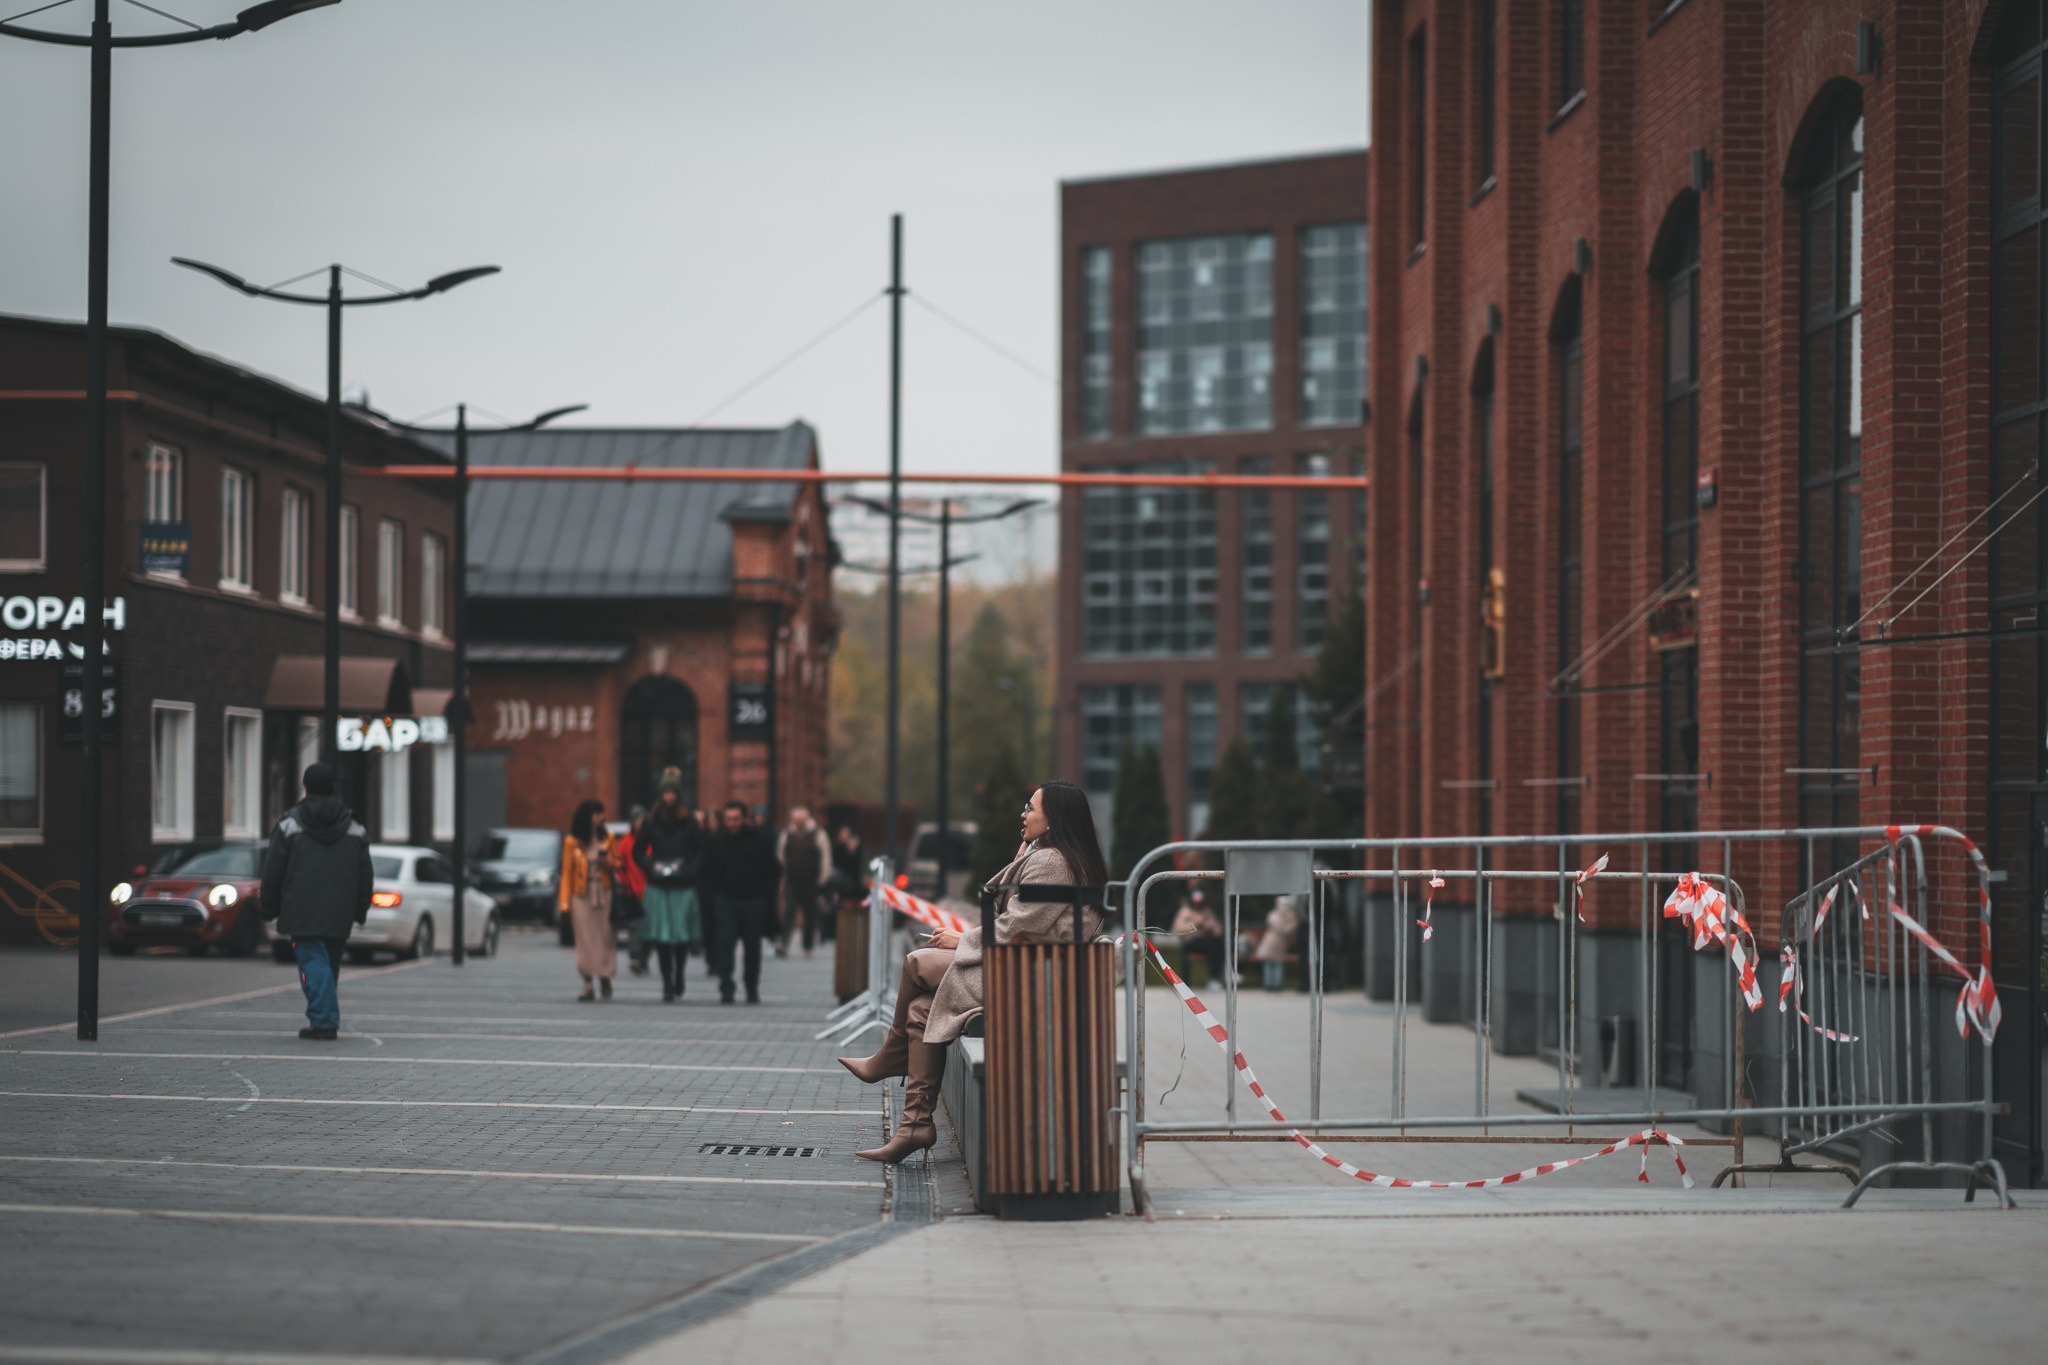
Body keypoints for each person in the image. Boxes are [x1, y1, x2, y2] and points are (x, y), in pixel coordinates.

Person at [838, 779, 1108, 1164]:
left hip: (1028, 977)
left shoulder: (1053, 862)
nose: (1023, 813)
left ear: (1054, 820)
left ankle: (890, 1059)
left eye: (1031, 808)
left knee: (916, 963)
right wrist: (1020, 858)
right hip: (1026, 967)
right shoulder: (1052, 856)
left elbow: (1016, 926)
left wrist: (962, 940)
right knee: (920, 1011)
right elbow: (1017, 920)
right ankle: (914, 1125)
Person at [259, 762, 375, 1041]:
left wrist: (269, 907)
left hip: (301, 909)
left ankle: (323, 1022)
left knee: (314, 965)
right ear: (335, 789)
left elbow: (274, 870)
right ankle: (321, 1017)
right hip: (340, 910)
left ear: (305, 787)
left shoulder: (289, 824)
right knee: (327, 967)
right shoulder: (355, 827)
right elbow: (365, 874)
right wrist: (359, 910)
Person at [697, 799, 781, 1003]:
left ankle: (751, 987)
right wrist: (714, 895)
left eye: (735, 819)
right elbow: (705, 870)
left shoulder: (759, 840)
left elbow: (774, 869)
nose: (732, 823)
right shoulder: (716, 841)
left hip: (753, 901)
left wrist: (764, 895)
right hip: (725, 901)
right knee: (725, 944)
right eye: (728, 819)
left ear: (744, 819)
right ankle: (726, 987)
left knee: (752, 948)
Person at [632, 769, 703, 1002]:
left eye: (673, 792)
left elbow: (700, 851)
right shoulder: (652, 821)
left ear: (679, 794)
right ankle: (666, 983)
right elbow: (638, 850)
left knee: (681, 937)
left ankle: (679, 974)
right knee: (662, 938)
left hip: (682, 886)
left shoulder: (689, 821)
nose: (669, 796)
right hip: (659, 885)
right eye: (665, 792)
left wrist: (688, 871)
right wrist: (651, 868)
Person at [559, 798, 616, 1000]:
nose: (602, 817)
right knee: (585, 940)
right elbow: (566, 872)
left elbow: (618, 864)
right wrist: (564, 903)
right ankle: (588, 982)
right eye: (598, 813)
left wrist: (607, 862)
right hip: (581, 895)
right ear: (588, 816)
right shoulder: (572, 841)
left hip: (603, 892)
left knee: (605, 937)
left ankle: (605, 976)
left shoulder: (607, 837)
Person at [776, 806, 832, 958]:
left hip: (811, 880)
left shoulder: (818, 834)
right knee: (789, 911)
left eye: (801, 820)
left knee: (810, 913)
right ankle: (784, 943)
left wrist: (823, 878)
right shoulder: (788, 834)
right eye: (796, 820)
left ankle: (808, 945)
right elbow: (781, 854)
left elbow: (825, 857)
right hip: (792, 879)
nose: (798, 823)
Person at [615, 804, 650, 976]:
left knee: (648, 928)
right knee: (635, 927)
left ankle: (644, 959)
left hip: (650, 891)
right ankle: (636, 957)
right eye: (637, 821)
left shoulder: (651, 841)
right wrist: (624, 883)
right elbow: (620, 866)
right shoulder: (625, 842)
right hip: (632, 890)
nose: (640, 825)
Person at [1171, 888, 1228, 987]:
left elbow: (1216, 928)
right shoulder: (1185, 912)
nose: (1198, 904)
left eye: (1200, 902)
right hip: (1190, 941)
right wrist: (1197, 923)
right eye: (1196, 902)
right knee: (1213, 943)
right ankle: (1215, 977)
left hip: (1207, 943)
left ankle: (1216, 977)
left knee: (1217, 943)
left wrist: (1210, 927)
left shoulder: (1207, 912)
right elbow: (1178, 928)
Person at [1257, 895, 1299, 991]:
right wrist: (1292, 924)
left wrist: (1291, 922)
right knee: (1271, 964)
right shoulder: (1275, 916)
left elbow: (1287, 932)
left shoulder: (1277, 915)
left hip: (1278, 944)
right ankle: (1271, 984)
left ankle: (1275, 984)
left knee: (1276, 965)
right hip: (1272, 943)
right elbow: (1283, 930)